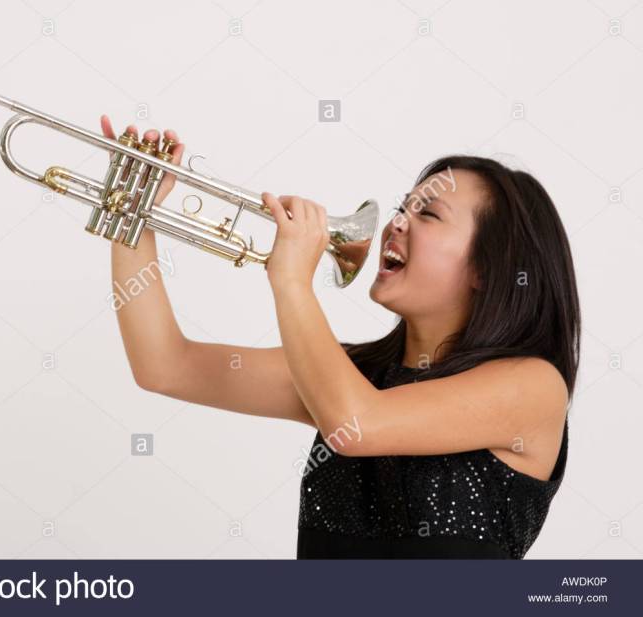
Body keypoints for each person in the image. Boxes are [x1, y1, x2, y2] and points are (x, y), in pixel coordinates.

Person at [101, 115, 580, 559]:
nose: (396, 223)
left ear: (487, 267)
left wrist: (291, 281)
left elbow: (356, 425)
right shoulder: (346, 376)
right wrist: (133, 211)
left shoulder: (533, 387)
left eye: (428, 215)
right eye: (402, 209)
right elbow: (165, 366)